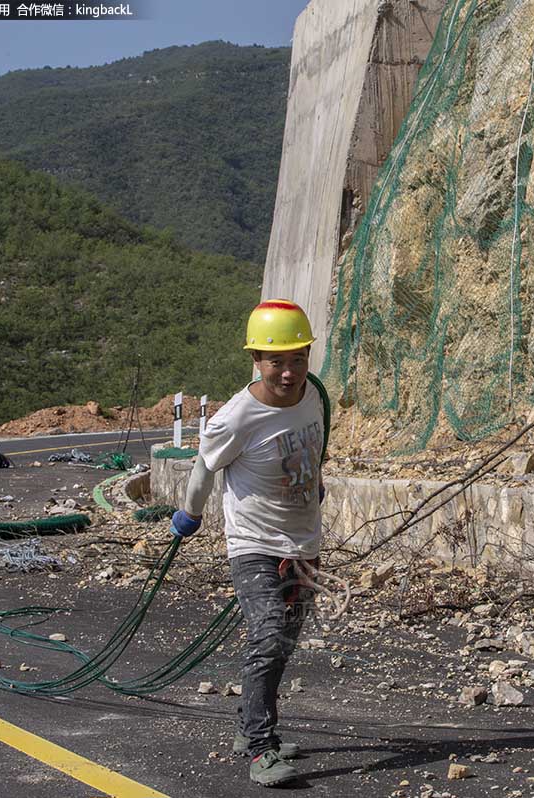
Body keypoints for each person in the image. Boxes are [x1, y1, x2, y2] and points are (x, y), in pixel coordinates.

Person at [171, 298, 327, 788]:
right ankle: (261, 748)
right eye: (275, 361)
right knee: (270, 635)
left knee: (284, 643)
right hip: (254, 544)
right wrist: (190, 514)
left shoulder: (314, 396)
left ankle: (249, 728)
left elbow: (317, 444)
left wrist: (315, 480)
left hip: (304, 543)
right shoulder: (235, 418)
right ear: (255, 361)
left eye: (297, 359)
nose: (288, 372)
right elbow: (203, 469)